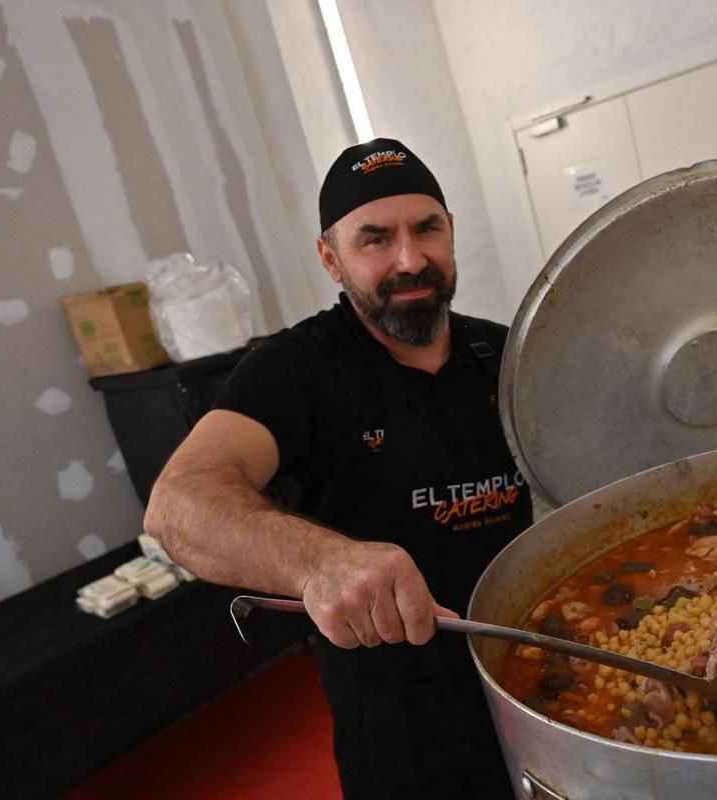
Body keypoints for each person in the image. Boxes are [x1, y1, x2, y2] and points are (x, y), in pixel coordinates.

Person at [144, 138, 534, 799]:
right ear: (331, 258)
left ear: (450, 230)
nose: (410, 260)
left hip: (535, 672)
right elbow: (178, 506)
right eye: (375, 239)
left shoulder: (506, 350)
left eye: (427, 229)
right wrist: (319, 562)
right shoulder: (294, 370)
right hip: (404, 721)